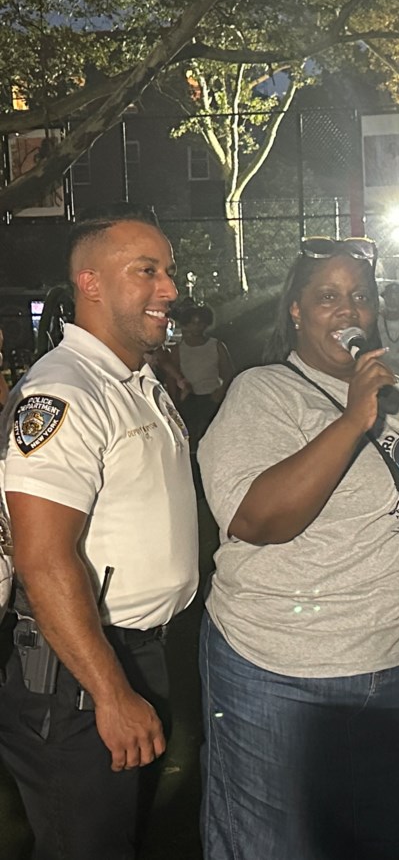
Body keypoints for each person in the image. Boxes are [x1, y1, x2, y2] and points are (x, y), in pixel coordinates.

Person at [197, 236, 399, 860]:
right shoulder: (262, 392)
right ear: (295, 310)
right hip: (287, 678)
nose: (348, 311)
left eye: (361, 297)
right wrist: (351, 420)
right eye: (328, 297)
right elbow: (257, 519)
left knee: (395, 841)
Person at [0, 203, 199, 860]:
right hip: (77, 674)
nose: (170, 288)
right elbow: (42, 557)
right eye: (148, 271)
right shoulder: (63, 393)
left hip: (131, 656)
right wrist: (110, 692)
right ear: (90, 282)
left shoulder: (135, 380)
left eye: (168, 271)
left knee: (121, 837)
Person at [166, 304, 234, 446]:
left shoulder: (216, 346)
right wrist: (174, 400)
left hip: (212, 397)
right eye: (192, 323)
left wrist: (220, 392)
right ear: (186, 325)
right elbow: (172, 377)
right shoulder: (179, 349)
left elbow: (228, 373)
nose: (196, 327)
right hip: (189, 399)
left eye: (200, 323)